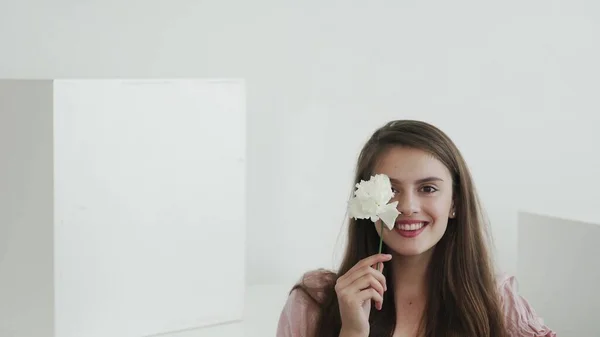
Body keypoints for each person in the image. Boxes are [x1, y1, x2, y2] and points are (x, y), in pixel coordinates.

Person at [276, 120, 555, 337]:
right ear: (366, 201)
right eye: (391, 189)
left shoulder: (497, 302)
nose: (407, 206)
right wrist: (352, 332)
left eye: (428, 188)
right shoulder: (313, 302)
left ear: (454, 203)